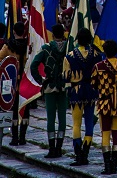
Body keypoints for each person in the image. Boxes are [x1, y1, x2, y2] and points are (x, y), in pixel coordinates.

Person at [30, 21, 68, 158]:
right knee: (62, 118)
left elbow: (34, 65)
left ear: (53, 35)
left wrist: (41, 80)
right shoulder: (68, 48)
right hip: (63, 86)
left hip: (50, 86)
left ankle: (52, 148)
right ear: (63, 34)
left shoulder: (46, 48)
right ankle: (59, 147)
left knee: (51, 118)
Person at [64, 25, 101, 165]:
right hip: (91, 90)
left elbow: (66, 77)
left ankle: (78, 153)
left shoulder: (70, 56)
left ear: (78, 39)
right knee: (90, 122)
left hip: (77, 91)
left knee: (76, 123)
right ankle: (86, 151)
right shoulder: (97, 55)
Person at [94, 38, 117, 174]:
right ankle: (115, 165)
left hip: (104, 103)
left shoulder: (98, 67)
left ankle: (107, 166)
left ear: (104, 52)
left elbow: (93, 84)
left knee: (105, 133)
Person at [7, 21, 29, 146]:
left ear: (14, 31)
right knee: (25, 109)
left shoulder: (8, 46)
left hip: (13, 82)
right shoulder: (28, 45)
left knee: (14, 109)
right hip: (26, 81)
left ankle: (15, 138)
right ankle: (23, 138)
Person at [0, 27, 20, 156]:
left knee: (7, 109)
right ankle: (18, 137)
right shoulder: (25, 45)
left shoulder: (7, 46)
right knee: (19, 109)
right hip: (19, 81)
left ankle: (14, 137)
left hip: (6, 82)